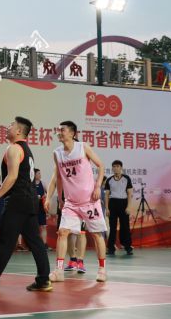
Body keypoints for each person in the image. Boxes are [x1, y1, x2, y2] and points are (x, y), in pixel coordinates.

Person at [0, 117, 52, 292]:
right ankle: (43, 280)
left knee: (5, 241)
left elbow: (12, 176)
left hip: (18, 200)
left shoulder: (14, 148)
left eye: (11, 125)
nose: (7, 126)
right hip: (29, 200)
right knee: (35, 241)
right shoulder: (26, 150)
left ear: (18, 131)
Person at [45, 121, 107, 282]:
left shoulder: (82, 147)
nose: (59, 133)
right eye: (58, 130)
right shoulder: (57, 153)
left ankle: (102, 269)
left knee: (97, 235)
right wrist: (55, 198)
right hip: (71, 203)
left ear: (72, 133)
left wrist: (98, 186)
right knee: (63, 232)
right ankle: (59, 271)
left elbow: (101, 166)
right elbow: (57, 178)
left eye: (63, 130)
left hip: (90, 201)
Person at [104, 160, 134, 255]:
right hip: (112, 203)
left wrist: (128, 206)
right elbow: (106, 195)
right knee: (112, 227)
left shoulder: (126, 178)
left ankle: (127, 247)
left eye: (117, 166)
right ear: (112, 168)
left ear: (121, 168)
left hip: (123, 203)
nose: (115, 168)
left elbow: (129, 193)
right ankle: (111, 248)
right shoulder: (109, 180)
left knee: (125, 226)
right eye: (114, 166)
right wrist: (107, 208)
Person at [33, 169, 48, 248]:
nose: (40, 175)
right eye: (38, 173)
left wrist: (45, 196)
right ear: (34, 174)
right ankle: (34, 245)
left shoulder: (43, 183)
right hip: (33, 208)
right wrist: (35, 197)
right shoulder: (30, 184)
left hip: (41, 208)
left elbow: (49, 193)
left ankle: (44, 244)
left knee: (43, 226)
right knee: (34, 227)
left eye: (40, 173)